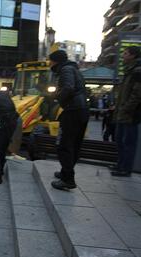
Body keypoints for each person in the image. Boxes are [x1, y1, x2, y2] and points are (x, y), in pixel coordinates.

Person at [49, 50, 89, 191]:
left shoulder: (65, 70)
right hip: (82, 110)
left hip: (73, 111)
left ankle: (68, 180)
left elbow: (68, 88)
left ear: (55, 61)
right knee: (74, 144)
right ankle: (65, 172)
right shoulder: (74, 69)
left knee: (63, 145)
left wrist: (58, 98)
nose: (49, 64)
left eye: (50, 61)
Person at [111, 46, 141, 177]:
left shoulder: (139, 71)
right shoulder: (129, 71)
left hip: (131, 114)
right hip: (123, 112)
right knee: (120, 141)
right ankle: (120, 165)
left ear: (133, 55)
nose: (123, 56)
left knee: (128, 142)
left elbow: (137, 94)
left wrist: (126, 108)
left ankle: (126, 169)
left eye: (125, 53)